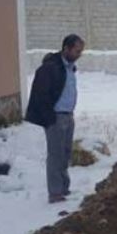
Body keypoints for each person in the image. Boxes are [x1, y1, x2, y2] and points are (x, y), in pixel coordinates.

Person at [25, 34, 85, 203]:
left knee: (65, 154)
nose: (79, 54)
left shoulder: (70, 67)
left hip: (68, 115)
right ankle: (55, 192)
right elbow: (40, 94)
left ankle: (64, 188)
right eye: (77, 50)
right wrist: (49, 118)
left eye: (81, 51)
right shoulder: (51, 68)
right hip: (56, 117)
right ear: (66, 48)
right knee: (55, 155)